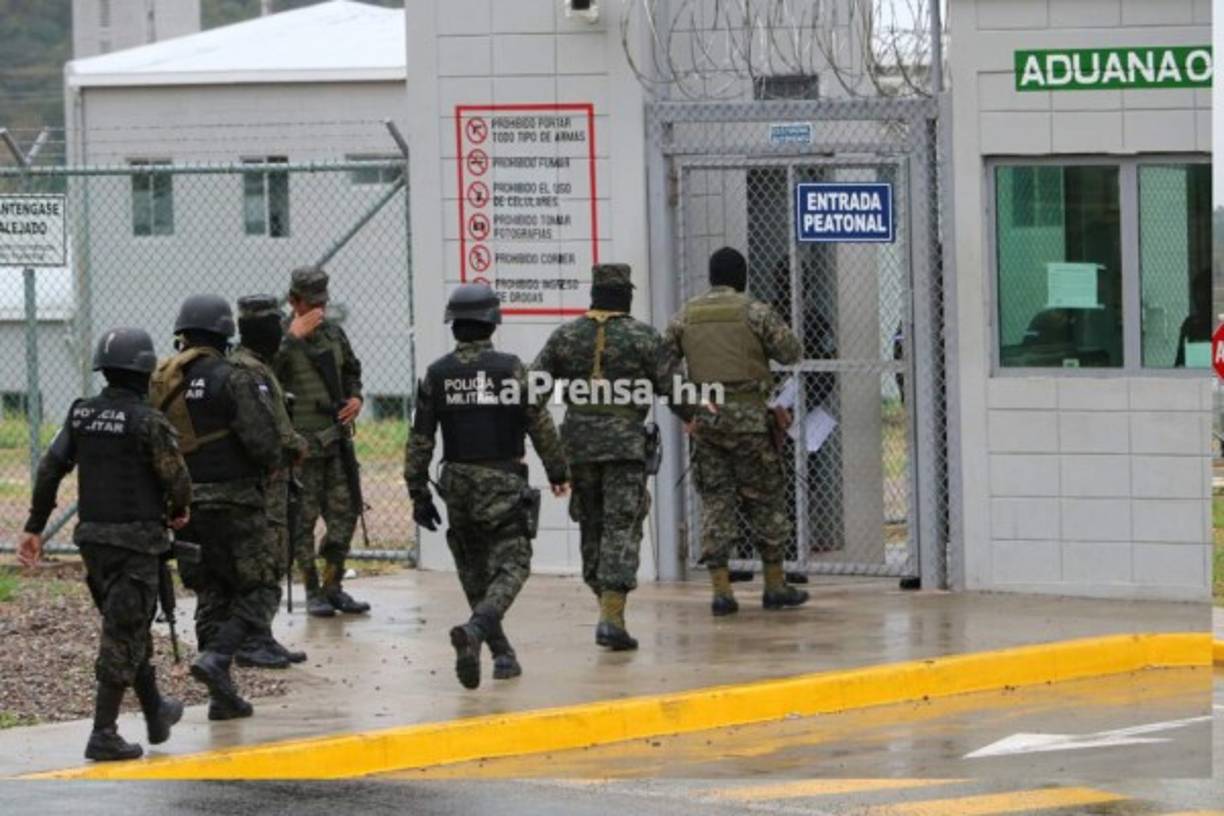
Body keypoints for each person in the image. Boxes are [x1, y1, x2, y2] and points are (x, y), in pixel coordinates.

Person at [18, 327, 191, 761]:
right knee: (123, 633)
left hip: (94, 542)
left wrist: (35, 526)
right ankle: (103, 732)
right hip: (136, 544)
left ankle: (156, 712)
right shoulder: (149, 422)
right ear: (144, 371)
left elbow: (50, 468)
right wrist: (178, 510)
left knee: (127, 627)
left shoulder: (81, 415)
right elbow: (178, 479)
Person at [405, 283, 570, 689]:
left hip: (457, 484)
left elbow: (420, 440)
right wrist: (558, 471)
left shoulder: (437, 374)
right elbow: (539, 423)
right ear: (492, 323)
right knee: (514, 564)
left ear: (454, 326)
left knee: (474, 572)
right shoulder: (510, 369)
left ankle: (500, 654)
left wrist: (418, 493)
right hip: (502, 481)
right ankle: (478, 632)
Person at [533, 263, 692, 650]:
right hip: (624, 449)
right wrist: (697, 416)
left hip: (578, 448)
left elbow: (531, 389)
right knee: (621, 527)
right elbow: (676, 389)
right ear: (626, 296)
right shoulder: (644, 338)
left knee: (591, 524)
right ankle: (611, 616)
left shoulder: (566, 336)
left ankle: (606, 605)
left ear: (595, 294)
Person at [150, 294, 281, 720]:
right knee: (261, 586)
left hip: (185, 505)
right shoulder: (234, 376)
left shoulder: (163, 380)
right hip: (236, 502)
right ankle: (217, 658)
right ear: (225, 333)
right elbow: (262, 443)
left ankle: (220, 697)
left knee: (211, 591)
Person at [664, 247, 809, 616]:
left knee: (716, 501)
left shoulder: (685, 316)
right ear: (742, 276)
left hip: (708, 422)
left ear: (712, 277)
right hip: (749, 423)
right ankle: (775, 586)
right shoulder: (755, 311)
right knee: (765, 500)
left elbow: (661, 366)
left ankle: (721, 592)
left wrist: (688, 409)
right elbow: (792, 352)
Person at [273, 266, 370, 617]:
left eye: (322, 302)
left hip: (335, 442)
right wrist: (291, 338)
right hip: (302, 447)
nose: (318, 310)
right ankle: (312, 589)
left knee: (344, 515)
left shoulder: (333, 333)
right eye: (310, 303)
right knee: (303, 521)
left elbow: (352, 371)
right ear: (293, 301)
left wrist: (356, 399)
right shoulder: (280, 337)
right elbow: (263, 376)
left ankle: (333, 585)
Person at [230, 295, 310, 669]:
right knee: (269, 558)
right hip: (266, 481)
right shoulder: (252, 373)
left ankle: (262, 635)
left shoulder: (255, 367)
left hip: (269, 479)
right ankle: (253, 638)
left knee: (274, 557)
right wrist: (296, 445)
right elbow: (271, 430)